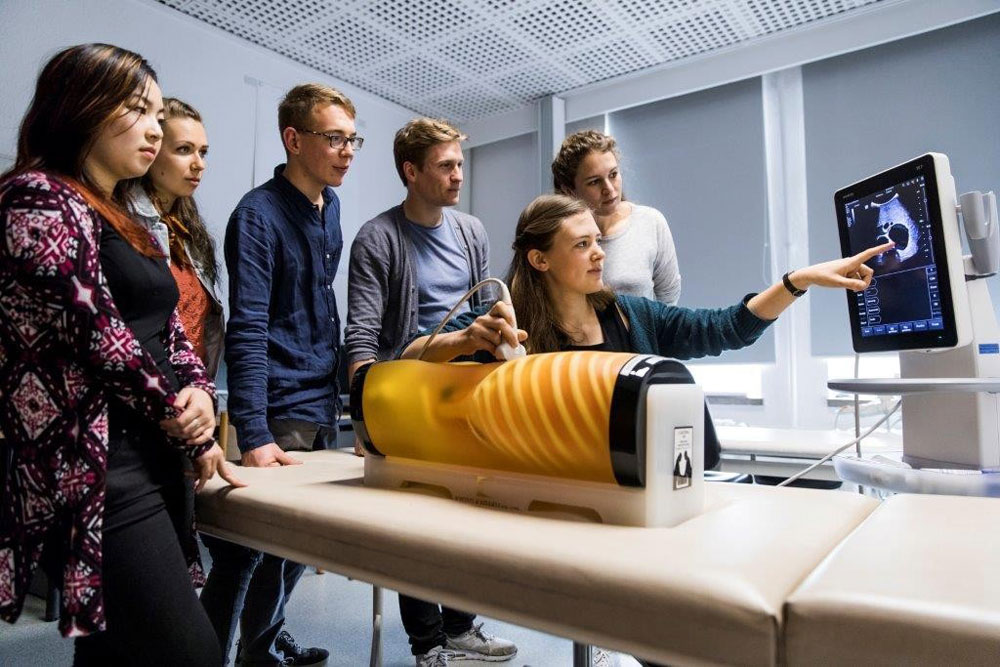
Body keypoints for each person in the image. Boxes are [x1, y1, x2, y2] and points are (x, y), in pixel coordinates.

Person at [0, 43, 242, 664]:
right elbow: (97, 332)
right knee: (190, 654)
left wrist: (198, 388)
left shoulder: (127, 216)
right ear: (82, 107)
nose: (156, 129)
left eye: (160, 114)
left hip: (144, 450)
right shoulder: (37, 197)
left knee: (112, 653)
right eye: (139, 110)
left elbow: (167, 328)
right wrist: (184, 417)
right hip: (95, 465)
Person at [345, 118, 516, 667]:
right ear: (410, 171)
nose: (457, 175)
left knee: (467, 516)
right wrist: (364, 419)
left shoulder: (470, 231)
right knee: (415, 525)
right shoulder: (378, 237)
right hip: (412, 394)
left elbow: (484, 308)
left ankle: (462, 628)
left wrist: (502, 332)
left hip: (469, 395)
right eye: (445, 165)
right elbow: (363, 337)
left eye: (459, 164)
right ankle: (427, 645)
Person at [199, 83, 359, 666]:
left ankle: (262, 645)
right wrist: (256, 432)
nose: (346, 150)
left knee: (293, 550)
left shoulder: (331, 207)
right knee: (247, 554)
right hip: (277, 406)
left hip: (319, 400)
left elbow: (318, 305)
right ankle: (213, 654)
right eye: (333, 138)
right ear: (294, 139)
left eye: (351, 139)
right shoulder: (257, 217)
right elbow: (249, 326)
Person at [402, 193, 890, 376]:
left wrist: (796, 280)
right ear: (539, 259)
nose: (599, 253)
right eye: (581, 245)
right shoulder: (505, 325)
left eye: (599, 241)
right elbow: (410, 357)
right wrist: (463, 339)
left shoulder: (632, 316)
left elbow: (727, 328)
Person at [133, 97, 224, 378]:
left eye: (203, 152)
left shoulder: (191, 235)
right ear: (153, 151)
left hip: (192, 390)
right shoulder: (127, 224)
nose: (199, 164)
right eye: (184, 150)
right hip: (146, 387)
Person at [552, 130, 681, 305]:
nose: (610, 190)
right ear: (569, 189)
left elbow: (668, 300)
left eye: (613, 175)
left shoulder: (650, 222)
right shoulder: (560, 240)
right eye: (594, 182)